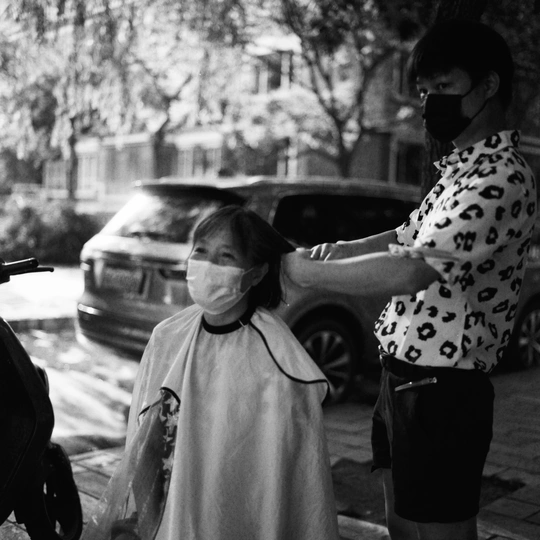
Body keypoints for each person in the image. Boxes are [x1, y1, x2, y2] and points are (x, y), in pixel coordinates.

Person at [283, 19, 537, 540]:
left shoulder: (500, 179)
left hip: (443, 391)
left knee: (439, 530)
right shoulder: (459, 171)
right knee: (400, 521)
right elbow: (406, 235)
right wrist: (340, 251)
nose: (429, 103)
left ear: (488, 85)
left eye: (443, 86)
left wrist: (304, 272)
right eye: (423, 91)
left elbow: (413, 268)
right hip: (401, 377)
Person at [82, 205, 340, 540]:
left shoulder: (279, 362)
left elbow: (286, 478)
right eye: (201, 251)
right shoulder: (167, 337)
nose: (207, 265)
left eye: (225, 256)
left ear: (257, 273)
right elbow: (146, 439)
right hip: (173, 509)